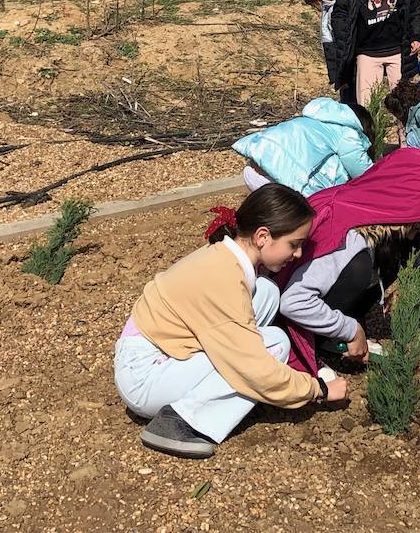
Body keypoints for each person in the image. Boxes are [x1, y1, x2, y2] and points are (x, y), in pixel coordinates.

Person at [114, 184, 348, 459]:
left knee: (267, 293)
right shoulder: (224, 280)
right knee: (273, 345)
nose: (297, 254)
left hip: (161, 352)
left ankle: (223, 388)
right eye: (294, 244)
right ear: (263, 236)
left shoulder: (226, 258)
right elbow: (255, 368)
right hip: (145, 376)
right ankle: (179, 422)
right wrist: (317, 390)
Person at [277, 148, 420, 374]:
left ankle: (334, 330)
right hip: (286, 312)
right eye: (417, 226)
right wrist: (350, 330)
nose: (419, 233)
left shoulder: (383, 218)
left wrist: (408, 291)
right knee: (359, 268)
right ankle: (316, 342)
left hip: (327, 289)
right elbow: (292, 302)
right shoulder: (351, 237)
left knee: (401, 250)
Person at [233, 98, 373, 196]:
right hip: (276, 178)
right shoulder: (348, 130)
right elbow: (356, 163)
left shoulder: (317, 117)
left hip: (253, 168)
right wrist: (376, 177)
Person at [302, 0, 340, 90]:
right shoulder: (344, 4)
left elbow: (333, 43)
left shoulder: (333, 13)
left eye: (314, 6)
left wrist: (336, 76)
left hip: (345, 66)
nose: (316, 10)